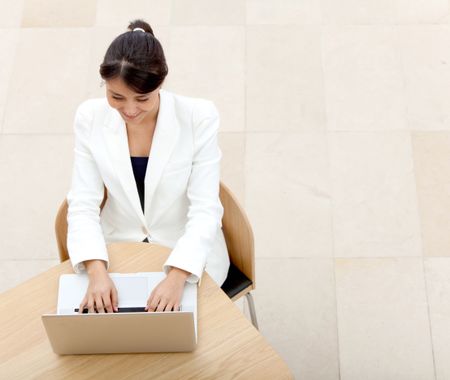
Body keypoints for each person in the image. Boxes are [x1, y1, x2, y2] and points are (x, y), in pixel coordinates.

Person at [67, 19, 230, 314]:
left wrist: (178, 275)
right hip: (117, 251)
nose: (129, 110)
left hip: (185, 251)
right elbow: (81, 204)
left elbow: (206, 209)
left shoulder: (198, 117)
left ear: (160, 84)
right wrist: (96, 269)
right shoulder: (89, 117)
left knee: (179, 340)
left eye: (142, 98)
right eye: (116, 97)